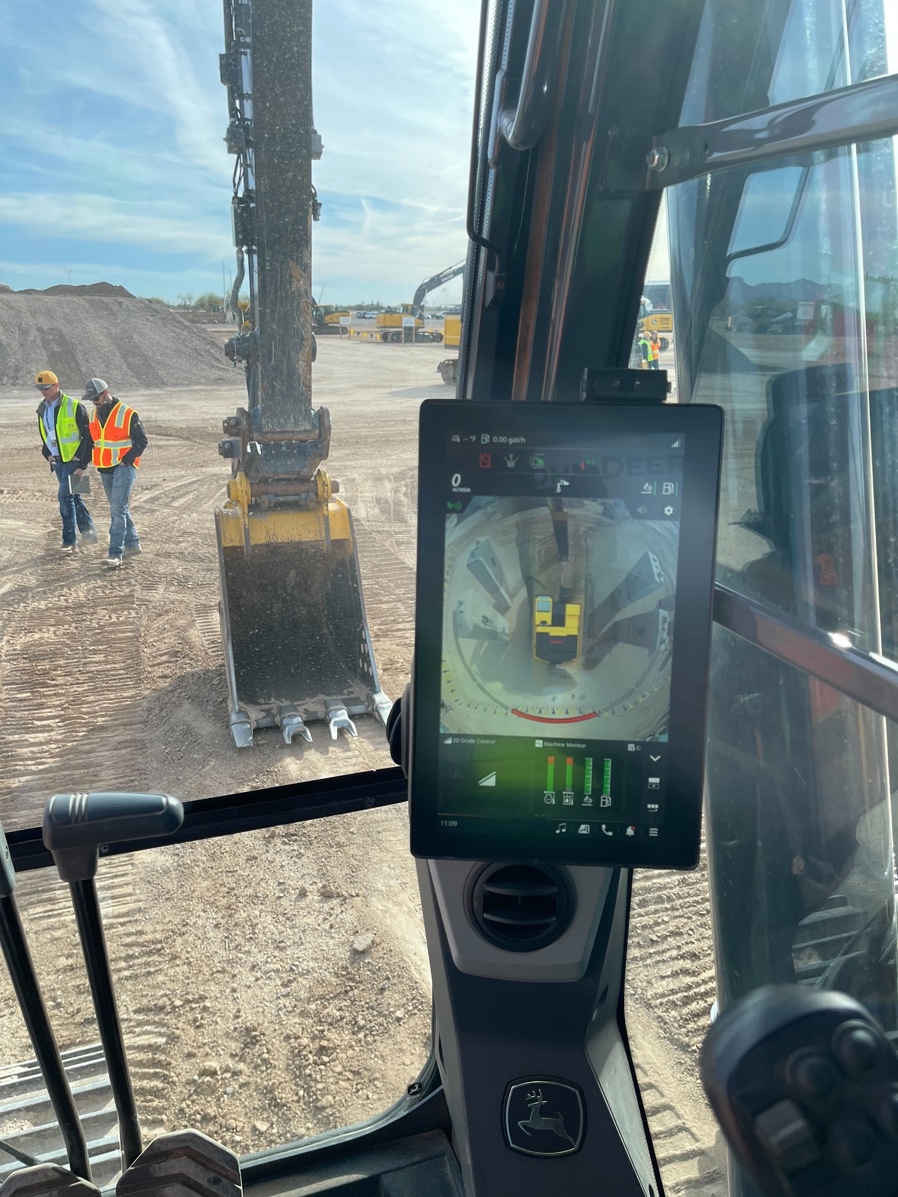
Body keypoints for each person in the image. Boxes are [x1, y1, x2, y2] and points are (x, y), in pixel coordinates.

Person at [84, 378, 148, 568]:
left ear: (106, 394)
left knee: (116, 510)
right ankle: (133, 544)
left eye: (96, 398)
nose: (94, 402)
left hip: (124, 468)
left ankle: (115, 553)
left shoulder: (127, 413)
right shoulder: (93, 416)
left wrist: (126, 460)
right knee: (120, 508)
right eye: (91, 399)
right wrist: (81, 465)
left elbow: (142, 441)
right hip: (105, 468)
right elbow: (91, 442)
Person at [35, 369, 97, 553]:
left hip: (73, 461)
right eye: (40, 389)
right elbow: (46, 434)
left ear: (57, 386)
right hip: (57, 462)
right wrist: (47, 455)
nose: (43, 392)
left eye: (47, 388)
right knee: (75, 497)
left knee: (65, 497)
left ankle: (69, 541)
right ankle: (90, 534)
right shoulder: (42, 408)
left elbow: (88, 437)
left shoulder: (74, 406)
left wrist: (82, 464)